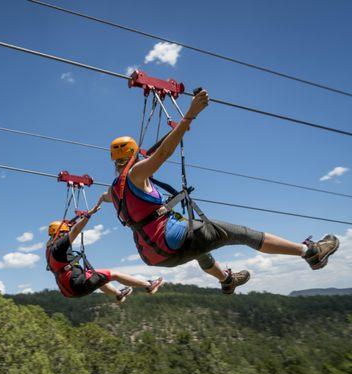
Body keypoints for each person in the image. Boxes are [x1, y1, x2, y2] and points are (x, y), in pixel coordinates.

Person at [97, 89, 340, 295]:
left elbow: (107, 195)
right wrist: (189, 116)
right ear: (134, 154)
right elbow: (161, 155)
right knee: (243, 234)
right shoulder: (136, 174)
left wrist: (96, 204)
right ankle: (310, 253)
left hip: (154, 256)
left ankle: (226, 280)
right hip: (172, 242)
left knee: (201, 245)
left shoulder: (114, 189)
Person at [46, 204, 163, 303]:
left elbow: (72, 228)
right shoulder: (59, 246)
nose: (66, 234)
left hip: (68, 290)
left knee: (98, 278)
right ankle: (149, 285)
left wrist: (73, 221)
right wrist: (88, 214)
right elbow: (76, 230)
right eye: (65, 233)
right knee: (113, 274)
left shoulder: (49, 249)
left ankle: (118, 294)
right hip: (76, 284)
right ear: (60, 233)